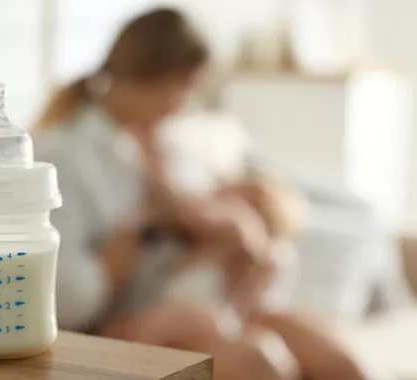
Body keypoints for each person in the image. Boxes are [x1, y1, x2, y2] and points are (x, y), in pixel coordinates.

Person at [33, 8, 369, 380]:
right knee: (260, 363)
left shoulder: (173, 145)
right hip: (130, 320)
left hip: (210, 302)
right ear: (149, 76)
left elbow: (214, 217)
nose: (185, 102)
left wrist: (230, 233)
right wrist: (149, 229)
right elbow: (70, 301)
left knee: (341, 363)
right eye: (183, 86)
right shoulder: (64, 157)